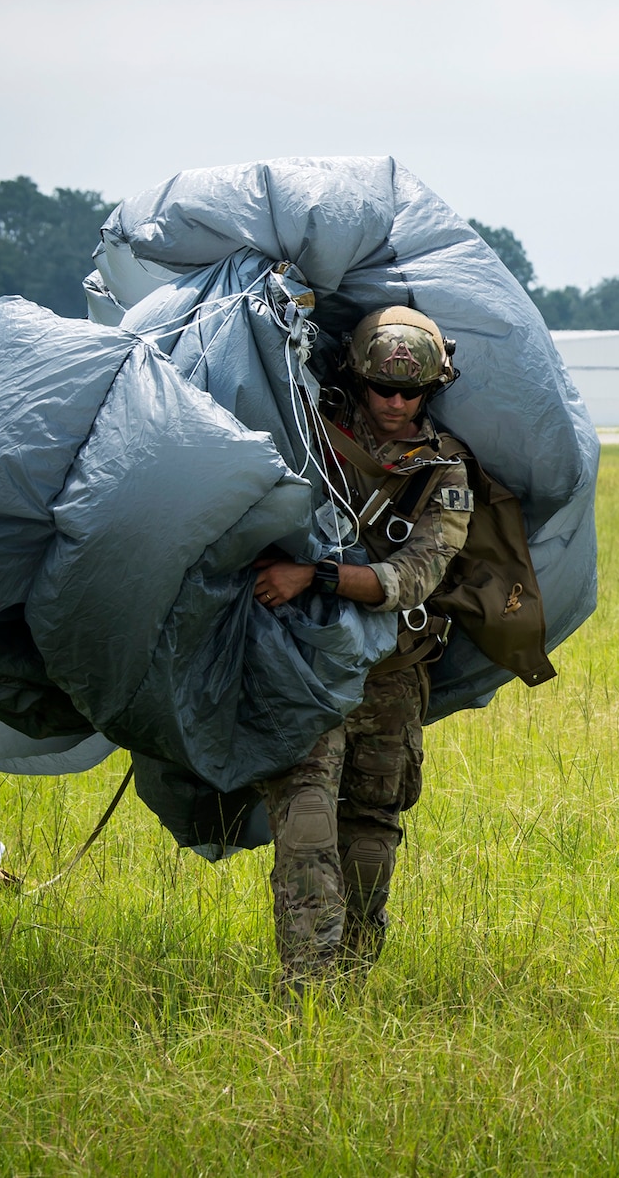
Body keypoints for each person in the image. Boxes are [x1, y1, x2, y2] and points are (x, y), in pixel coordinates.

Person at [249, 306, 475, 985]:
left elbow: (415, 577)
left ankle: (352, 970)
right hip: (306, 664)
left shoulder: (445, 471)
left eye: (413, 392)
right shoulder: (304, 431)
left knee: (371, 827)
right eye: (384, 388)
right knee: (306, 822)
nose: (397, 403)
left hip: (391, 672)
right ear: (358, 378)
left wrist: (312, 576)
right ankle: (309, 983)